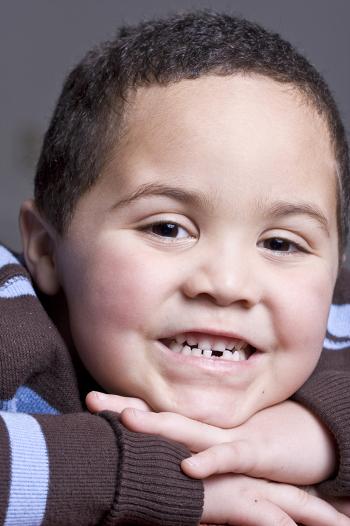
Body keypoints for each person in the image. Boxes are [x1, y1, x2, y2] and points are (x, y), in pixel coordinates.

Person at [1, 9, 350, 525]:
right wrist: (166, 482)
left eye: (280, 242)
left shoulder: (334, 325)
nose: (229, 285)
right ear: (47, 250)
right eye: (168, 229)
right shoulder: (11, 318)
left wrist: (316, 434)